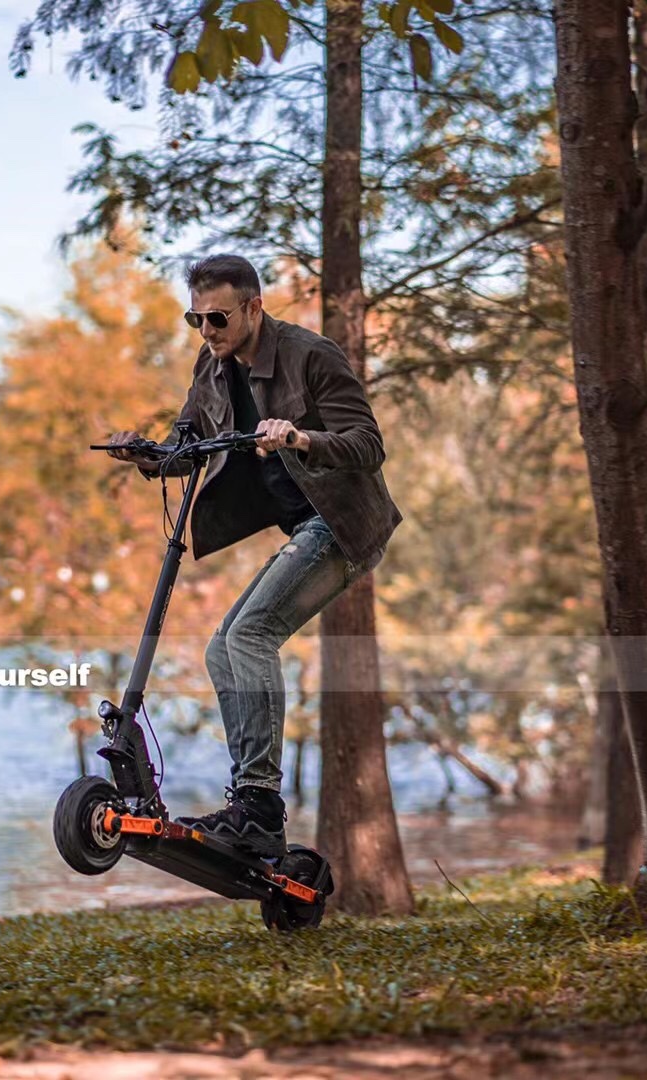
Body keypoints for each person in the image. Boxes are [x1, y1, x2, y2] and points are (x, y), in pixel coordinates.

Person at [106, 254, 402, 856]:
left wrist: (298, 437)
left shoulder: (309, 354)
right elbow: (190, 446)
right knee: (222, 648)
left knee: (249, 637)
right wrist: (145, 456)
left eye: (217, 318)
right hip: (302, 528)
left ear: (253, 307)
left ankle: (261, 806)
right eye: (196, 320)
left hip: (340, 524)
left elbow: (369, 444)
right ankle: (250, 803)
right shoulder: (211, 367)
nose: (207, 332)